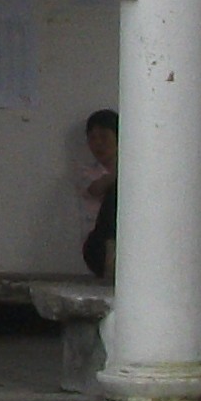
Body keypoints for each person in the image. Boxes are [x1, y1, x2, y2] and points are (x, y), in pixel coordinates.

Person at [75, 108, 118, 282]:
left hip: (130, 244)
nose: (98, 144)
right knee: (115, 193)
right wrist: (123, 171)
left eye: (104, 137)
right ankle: (111, 261)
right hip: (97, 246)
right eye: (92, 138)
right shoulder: (86, 173)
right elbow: (95, 189)